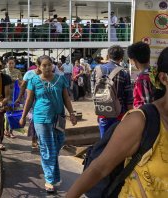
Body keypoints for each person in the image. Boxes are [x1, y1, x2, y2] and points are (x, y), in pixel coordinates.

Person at [66, 47, 168, 198]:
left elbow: (93, 91)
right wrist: (131, 115)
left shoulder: (98, 70)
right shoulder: (141, 121)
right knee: (110, 152)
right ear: (164, 78)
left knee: (106, 138)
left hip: (105, 112)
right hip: (126, 117)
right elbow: (100, 167)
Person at [19, 55, 77, 193]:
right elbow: (29, 100)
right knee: (46, 148)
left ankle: (53, 175)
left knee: (57, 145)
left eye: (49, 65)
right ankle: (49, 179)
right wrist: (23, 117)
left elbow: (66, 98)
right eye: (43, 65)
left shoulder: (61, 79)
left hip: (59, 118)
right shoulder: (33, 80)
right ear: (38, 67)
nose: (47, 67)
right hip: (41, 118)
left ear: (53, 66)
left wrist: (72, 114)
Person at [91, 45, 133, 138]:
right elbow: (129, 98)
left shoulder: (96, 70)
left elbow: (93, 91)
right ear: (122, 57)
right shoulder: (124, 72)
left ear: (108, 56)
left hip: (103, 112)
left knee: (104, 141)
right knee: (118, 141)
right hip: (119, 114)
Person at [15, 65, 41, 149]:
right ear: (38, 65)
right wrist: (19, 98)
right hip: (30, 100)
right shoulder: (29, 74)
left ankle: (40, 139)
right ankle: (34, 139)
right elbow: (23, 86)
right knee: (33, 119)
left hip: (42, 99)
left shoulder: (48, 74)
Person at [127, 42, 154, 108]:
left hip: (146, 115)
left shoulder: (142, 78)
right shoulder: (154, 72)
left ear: (133, 60)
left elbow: (148, 104)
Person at [1, 57, 23, 138]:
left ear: (15, 64)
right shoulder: (3, 71)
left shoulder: (18, 71)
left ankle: (11, 131)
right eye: (9, 63)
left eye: (12, 63)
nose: (11, 65)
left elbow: (21, 82)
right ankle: (5, 130)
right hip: (6, 95)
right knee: (7, 113)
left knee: (13, 113)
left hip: (15, 95)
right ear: (6, 63)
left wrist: (16, 80)